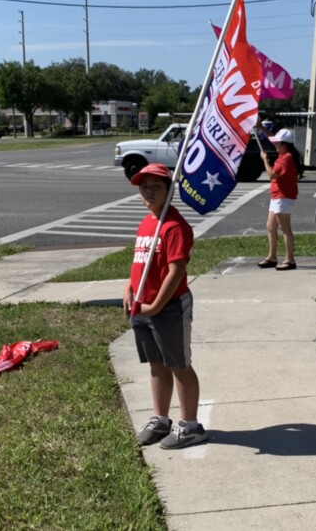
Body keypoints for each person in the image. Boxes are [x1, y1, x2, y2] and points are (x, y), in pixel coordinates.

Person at [123, 163, 207, 449]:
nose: (148, 191)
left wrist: (156, 305)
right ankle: (161, 419)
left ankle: (191, 426)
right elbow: (140, 262)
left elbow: (176, 270)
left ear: (170, 191)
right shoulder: (147, 222)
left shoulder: (174, 226)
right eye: (143, 187)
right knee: (157, 365)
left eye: (156, 186)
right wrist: (129, 289)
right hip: (142, 307)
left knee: (178, 364)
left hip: (168, 307)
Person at [257, 128, 303, 271]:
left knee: (285, 228)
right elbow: (271, 138)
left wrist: (265, 160)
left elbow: (272, 175)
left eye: (278, 144)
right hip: (277, 196)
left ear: (285, 144)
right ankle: (272, 257)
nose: (275, 146)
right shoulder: (284, 155)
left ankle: (290, 259)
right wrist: (261, 127)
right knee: (271, 227)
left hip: (283, 197)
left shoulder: (286, 158)